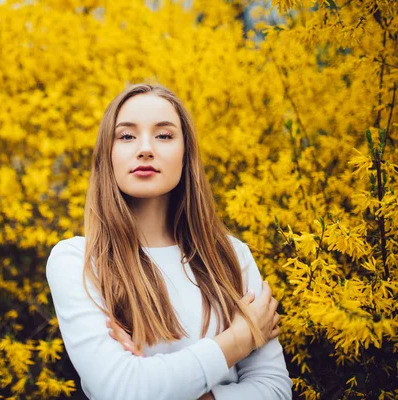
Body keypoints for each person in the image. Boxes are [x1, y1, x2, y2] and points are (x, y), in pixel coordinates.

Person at [45, 83, 293, 400]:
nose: (145, 148)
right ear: (107, 155)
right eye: (126, 136)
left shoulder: (231, 256)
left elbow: (275, 390)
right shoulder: (78, 261)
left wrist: (168, 387)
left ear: (185, 153)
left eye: (164, 135)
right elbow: (122, 390)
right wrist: (240, 339)